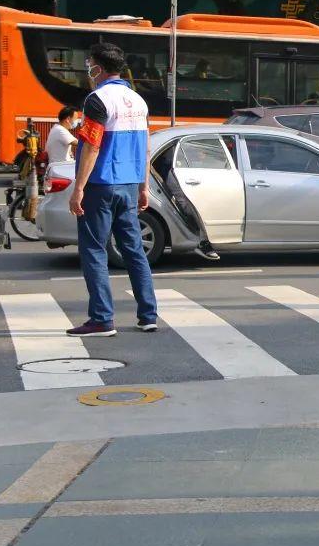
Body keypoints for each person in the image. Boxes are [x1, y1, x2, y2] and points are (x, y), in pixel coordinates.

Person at [66, 42, 159, 337]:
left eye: (89, 62)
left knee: (94, 249)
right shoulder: (138, 100)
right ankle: (148, 315)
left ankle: (102, 319)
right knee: (133, 251)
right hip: (130, 184)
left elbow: (92, 145)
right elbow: (145, 149)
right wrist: (144, 186)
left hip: (101, 184)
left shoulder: (97, 99)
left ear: (99, 67)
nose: (88, 68)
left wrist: (78, 188)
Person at [151, 146, 220, 261]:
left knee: (185, 202)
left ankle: (201, 240)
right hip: (173, 170)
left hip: (173, 168)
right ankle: (202, 241)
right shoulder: (173, 152)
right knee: (184, 202)